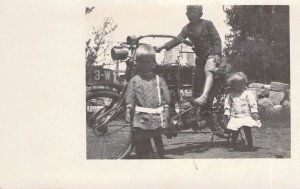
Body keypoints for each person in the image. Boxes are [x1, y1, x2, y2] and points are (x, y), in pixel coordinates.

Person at [157, 5, 222, 108]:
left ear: (200, 14)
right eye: (189, 13)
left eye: (194, 13)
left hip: (211, 54)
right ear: (186, 14)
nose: (191, 15)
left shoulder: (207, 24)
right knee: (197, 79)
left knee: (208, 71)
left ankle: (204, 97)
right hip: (200, 57)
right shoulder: (187, 28)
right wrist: (163, 47)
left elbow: (216, 39)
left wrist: (217, 54)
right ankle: (197, 107)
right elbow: (177, 39)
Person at [125, 44, 170, 159]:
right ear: (137, 63)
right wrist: (128, 109)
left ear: (153, 63)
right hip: (141, 118)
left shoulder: (159, 80)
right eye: (142, 62)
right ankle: (144, 158)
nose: (145, 65)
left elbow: (165, 98)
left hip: (156, 118)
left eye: (148, 62)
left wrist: (166, 110)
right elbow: (130, 96)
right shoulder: (134, 80)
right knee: (141, 143)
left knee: (157, 139)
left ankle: (161, 157)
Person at [224, 72, 262, 151]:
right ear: (232, 85)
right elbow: (228, 104)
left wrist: (254, 112)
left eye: (240, 84)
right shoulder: (231, 94)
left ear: (244, 83)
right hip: (235, 116)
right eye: (235, 85)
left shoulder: (247, 93)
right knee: (235, 131)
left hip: (245, 116)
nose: (238, 87)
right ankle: (232, 145)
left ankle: (250, 145)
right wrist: (227, 112)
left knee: (247, 130)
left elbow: (252, 103)